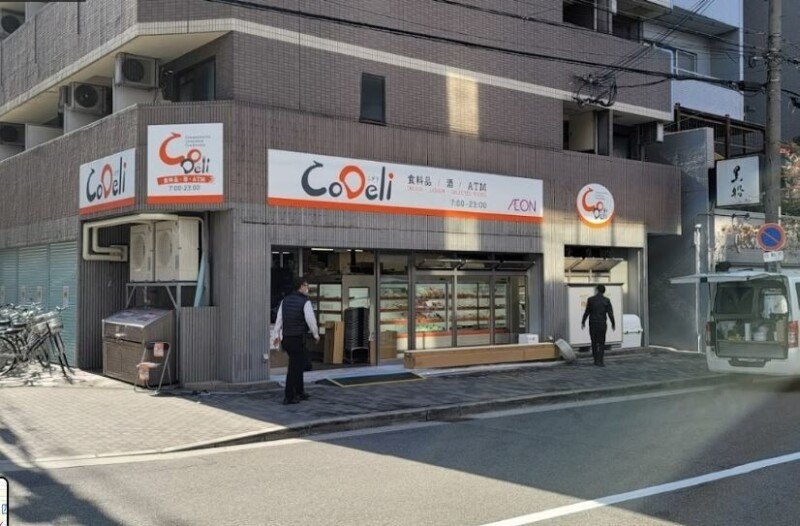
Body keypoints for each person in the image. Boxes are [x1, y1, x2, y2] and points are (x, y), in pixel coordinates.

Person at [272, 277, 320, 404]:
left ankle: (299, 391)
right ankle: (289, 396)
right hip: (298, 337)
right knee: (294, 367)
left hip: (287, 338)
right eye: (306, 285)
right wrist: (316, 335)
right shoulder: (305, 302)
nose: (307, 288)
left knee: (298, 364)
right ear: (301, 286)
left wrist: (276, 335)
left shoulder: (285, 301)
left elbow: (279, 320)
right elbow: (311, 321)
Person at [581, 285, 615, 367]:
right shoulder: (606, 300)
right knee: (602, 342)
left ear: (597, 290)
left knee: (594, 342)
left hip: (593, 323)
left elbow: (587, 312)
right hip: (602, 323)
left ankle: (596, 360)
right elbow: (610, 313)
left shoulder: (591, 300)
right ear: (604, 291)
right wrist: (613, 323)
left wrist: (583, 321)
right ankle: (601, 361)